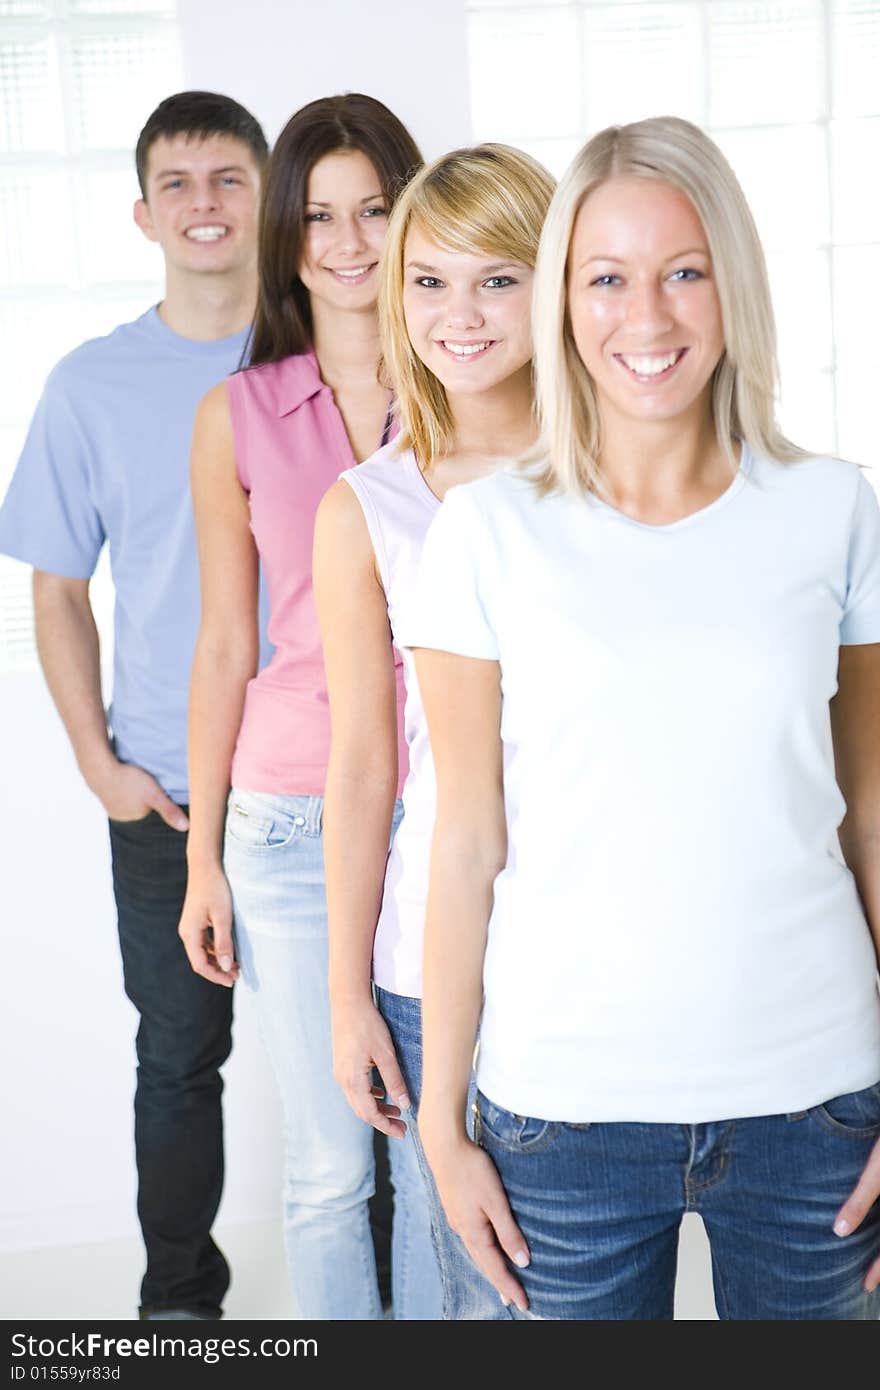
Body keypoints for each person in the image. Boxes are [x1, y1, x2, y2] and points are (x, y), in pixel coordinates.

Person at [408, 116, 880, 1320]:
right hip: (561, 1113)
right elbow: (465, 840)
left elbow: (869, 811)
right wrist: (439, 1121)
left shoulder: (836, 511)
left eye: (683, 270)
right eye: (605, 278)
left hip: (816, 1106)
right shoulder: (486, 531)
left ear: (733, 283)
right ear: (564, 299)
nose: (648, 316)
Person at [0, 92, 268, 1320]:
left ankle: (386, 1297)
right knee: (177, 1063)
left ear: (267, 194)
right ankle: (177, 1312)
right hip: (166, 789)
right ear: (143, 211)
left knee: (379, 1060)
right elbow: (57, 592)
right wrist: (101, 765)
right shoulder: (93, 384)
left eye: (228, 178)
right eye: (180, 183)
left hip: (339, 775)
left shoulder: (334, 354)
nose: (204, 203)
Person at [178, 93, 438, 1321]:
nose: (348, 242)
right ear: (287, 237)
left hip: (440, 812)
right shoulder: (232, 415)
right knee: (331, 1167)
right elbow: (225, 637)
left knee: (443, 1144)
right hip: (284, 822)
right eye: (320, 216)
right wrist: (200, 857)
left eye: (376, 210)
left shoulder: (472, 385)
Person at [313, 144, 554, 1320]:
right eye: (428, 280)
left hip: (590, 953)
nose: (459, 315)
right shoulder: (370, 504)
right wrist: (347, 990)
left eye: (497, 279)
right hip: (424, 959)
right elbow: (363, 764)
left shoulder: (625, 476)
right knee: (455, 1289)